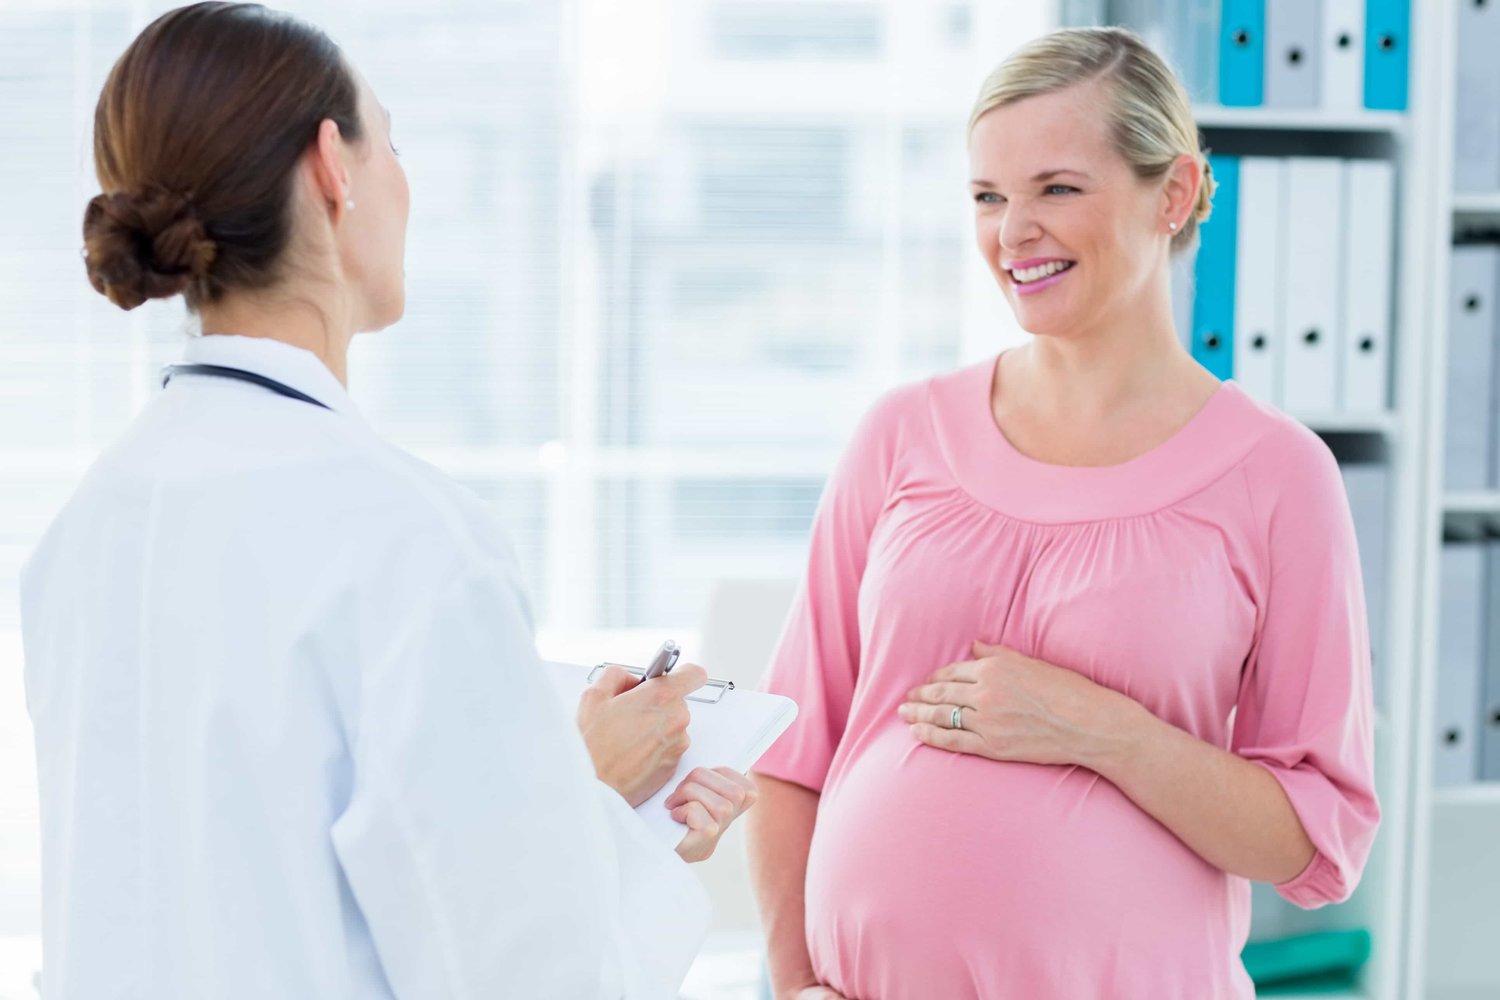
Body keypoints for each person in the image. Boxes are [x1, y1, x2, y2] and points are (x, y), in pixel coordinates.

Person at [19, 3, 754, 997]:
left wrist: (579, 806)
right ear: (333, 166)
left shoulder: (85, 527)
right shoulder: (407, 537)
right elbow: (524, 975)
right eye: (392, 143)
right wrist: (598, 811)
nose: (405, 184)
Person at [746, 26, 1380, 1000]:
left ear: (1172, 193)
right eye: (988, 197)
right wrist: (792, 987)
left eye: (1058, 189)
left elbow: (1317, 841)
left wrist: (1101, 729)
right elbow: (793, 751)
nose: (1012, 233)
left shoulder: (1279, 476)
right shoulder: (901, 433)